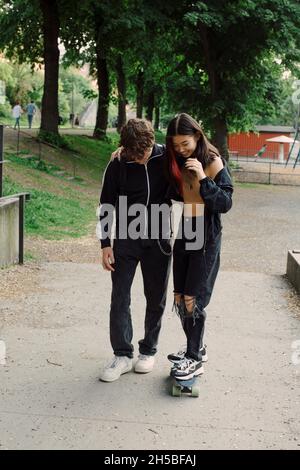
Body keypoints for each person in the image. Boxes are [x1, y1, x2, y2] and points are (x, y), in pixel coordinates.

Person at [97, 118, 172, 382]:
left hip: (159, 240)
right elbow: (106, 204)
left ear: (152, 142)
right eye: (134, 154)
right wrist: (105, 243)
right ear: (125, 148)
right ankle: (122, 355)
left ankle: (148, 350)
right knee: (120, 296)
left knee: (156, 297)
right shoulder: (118, 162)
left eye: (144, 154)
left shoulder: (166, 156)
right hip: (126, 240)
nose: (140, 159)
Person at [165, 113, 233, 381]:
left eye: (185, 143)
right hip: (187, 228)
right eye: (176, 144)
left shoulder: (213, 161)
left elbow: (225, 203)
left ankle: (194, 359)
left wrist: (204, 178)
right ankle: (196, 348)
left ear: (197, 135)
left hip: (207, 235)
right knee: (181, 297)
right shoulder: (175, 159)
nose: (181, 149)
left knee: (194, 299)